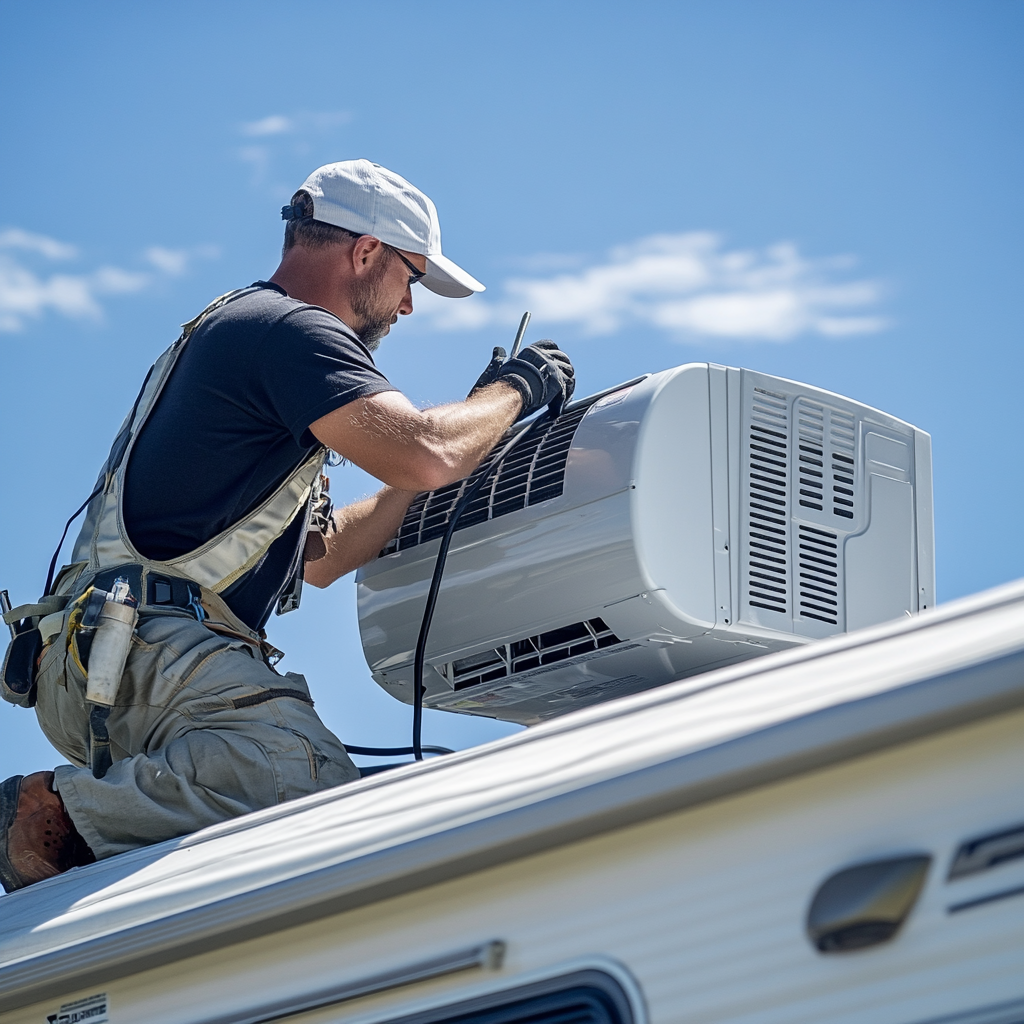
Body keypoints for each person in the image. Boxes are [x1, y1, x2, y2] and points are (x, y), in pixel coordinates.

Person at [0, 159, 575, 893]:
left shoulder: (240, 331)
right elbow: (426, 450)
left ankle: (81, 835)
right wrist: (514, 390)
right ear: (365, 252)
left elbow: (323, 557)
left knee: (261, 855)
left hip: (109, 655)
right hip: (151, 647)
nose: (408, 307)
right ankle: (52, 813)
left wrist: (442, 465)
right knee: (303, 782)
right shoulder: (289, 330)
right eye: (412, 278)